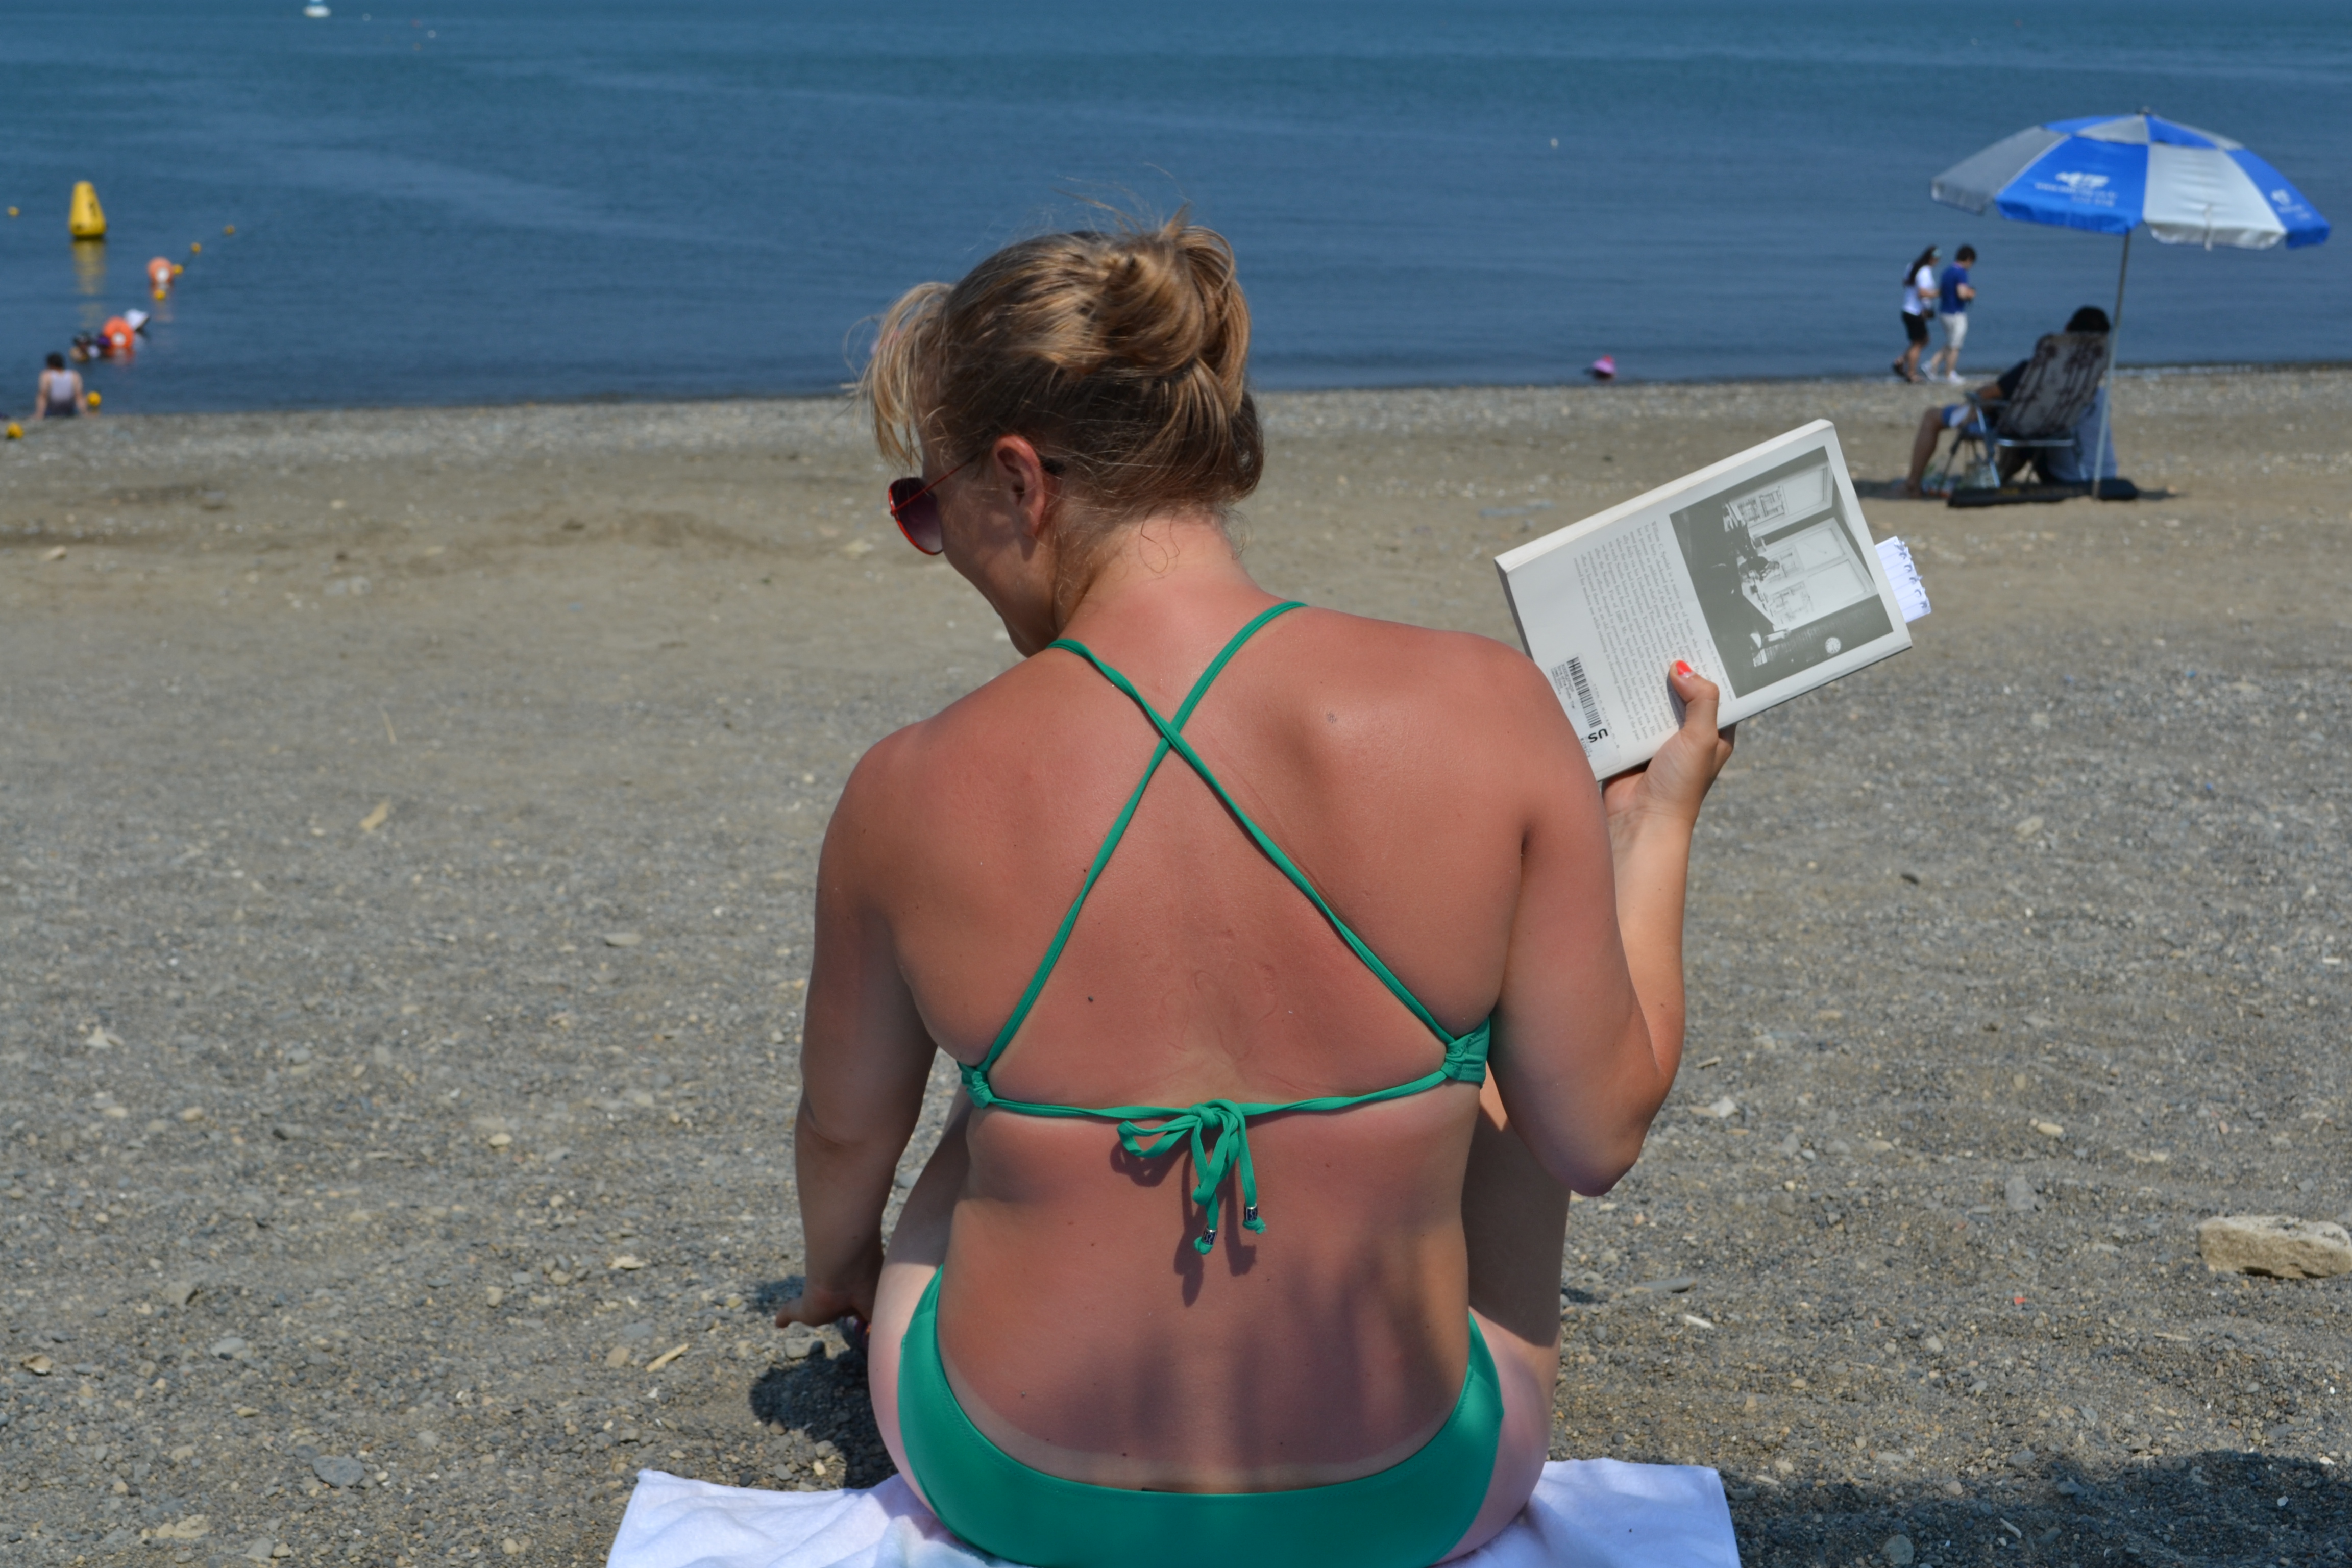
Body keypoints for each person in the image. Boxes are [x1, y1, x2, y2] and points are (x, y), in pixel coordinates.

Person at [770, 215, 1731, 1568]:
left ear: (1020, 480)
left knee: (982, 1117)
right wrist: (1653, 821)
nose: (940, 547)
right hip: (1415, 1496)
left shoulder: (906, 788)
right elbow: (1599, 1136)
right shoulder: (1489, 709)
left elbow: (840, 1133)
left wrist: (840, 1273)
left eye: (927, 507)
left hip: (1005, 1480)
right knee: (1502, 1085)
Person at [1902, 305, 2111, 496]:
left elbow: (1990, 393)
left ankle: (1912, 484)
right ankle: (1998, 476)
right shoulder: (2086, 383)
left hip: (2021, 429)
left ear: (2067, 328)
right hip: (2055, 430)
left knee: (1932, 416)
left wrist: (1973, 401)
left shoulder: (2037, 370)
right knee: (2014, 426)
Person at [1925, 245, 1976, 385]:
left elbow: (1941, 291)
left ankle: (1932, 364)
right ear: (1968, 259)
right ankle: (1950, 373)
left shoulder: (1947, 272)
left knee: (1951, 342)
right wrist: (1970, 294)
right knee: (1955, 346)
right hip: (1956, 313)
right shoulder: (1961, 273)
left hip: (1944, 312)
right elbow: (1962, 294)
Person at [1894, 244, 1939, 383]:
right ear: (1932, 259)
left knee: (1923, 340)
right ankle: (1911, 373)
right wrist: (1939, 293)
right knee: (1918, 343)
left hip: (1908, 309)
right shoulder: (1925, 271)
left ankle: (1901, 361)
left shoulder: (1912, 267)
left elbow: (1905, 283)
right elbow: (1922, 293)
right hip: (1916, 312)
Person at [33, 353, 83, 419]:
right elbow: (79, 396)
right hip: (70, 411)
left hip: (52, 412)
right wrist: (85, 413)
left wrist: (40, 414)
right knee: (79, 394)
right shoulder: (74, 375)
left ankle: (40, 415)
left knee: (42, 395)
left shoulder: (46, 375)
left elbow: (43, 396)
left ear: (50, 365)